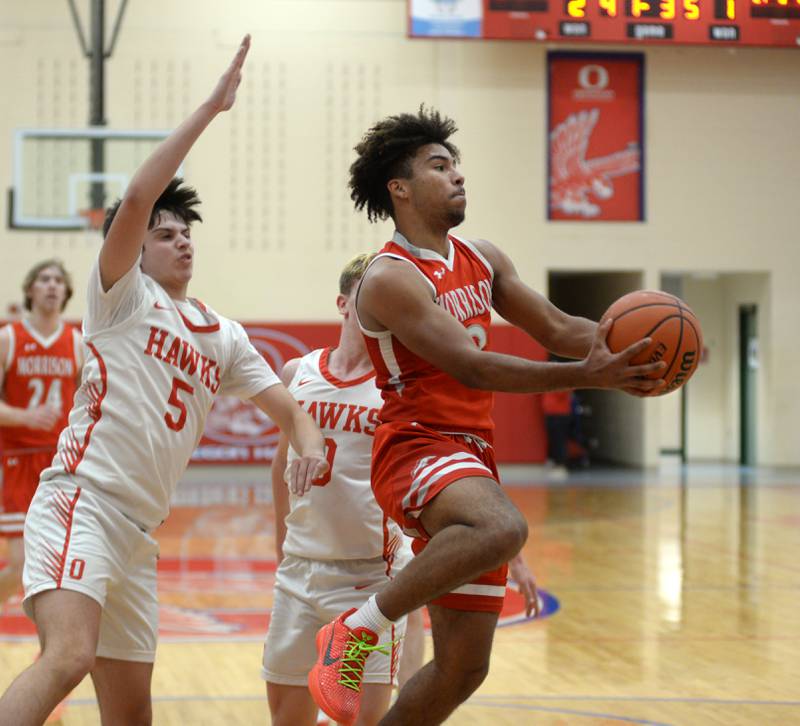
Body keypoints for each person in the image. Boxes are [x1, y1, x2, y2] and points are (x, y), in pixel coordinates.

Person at [0, 36, 328, 726]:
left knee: (133, 715)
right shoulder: (121, 298)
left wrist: (307, 440)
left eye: (186, 233)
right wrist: (212, 107)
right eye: (164, 232)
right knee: (66, 658)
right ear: (137, 247)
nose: (181, 240)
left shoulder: (223, 334)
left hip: (138, 532)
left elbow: (283, 404)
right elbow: (139, 193)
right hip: (81, 504)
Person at [308, 107, 666, 725]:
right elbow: (471, 368)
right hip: (415, 448)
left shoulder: (483, 256)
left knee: (463, 668)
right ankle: (354, 628)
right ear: (400, 188)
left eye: (457, 166)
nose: (457, 177)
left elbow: (557, 327)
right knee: (503, 528)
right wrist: (589, 375)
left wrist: (632, 349)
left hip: (472, 455)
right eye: (439, 167)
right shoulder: (388, 278)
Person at [266, 254, 539, 726]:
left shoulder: (401, 386)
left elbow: (461, 462)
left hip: (369, 574)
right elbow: (279, 466)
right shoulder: (298, 374)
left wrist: (511, 553)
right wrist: (279, 546)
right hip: (298, 568)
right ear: (344, 305)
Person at [0, 260, 82, 609]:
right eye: (45, 279)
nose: (52, 286)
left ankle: (54, 646)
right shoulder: (8, 338)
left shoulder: (77, 342)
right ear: (30, 289)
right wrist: (25, 416)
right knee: (20, 565)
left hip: (60, 464)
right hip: (17, 460)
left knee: (61, 565)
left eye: (59, 281)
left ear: (66, 292)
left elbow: (87, 403)